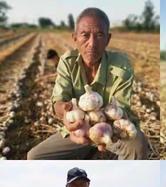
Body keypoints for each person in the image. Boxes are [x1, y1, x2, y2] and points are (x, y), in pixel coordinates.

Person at [27, 7, 148, 160]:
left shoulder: (122, 65)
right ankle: (89, 149)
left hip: (112, 129)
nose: (92, 43)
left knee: (138, 144)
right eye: (85, 35)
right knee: (35, 156)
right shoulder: (67, 62)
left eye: (99, 35)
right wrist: (66, 113)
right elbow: (57, 101)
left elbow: (119, 110)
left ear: (108, 39)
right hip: (78, 129)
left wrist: (100, 130)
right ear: (75, 38)